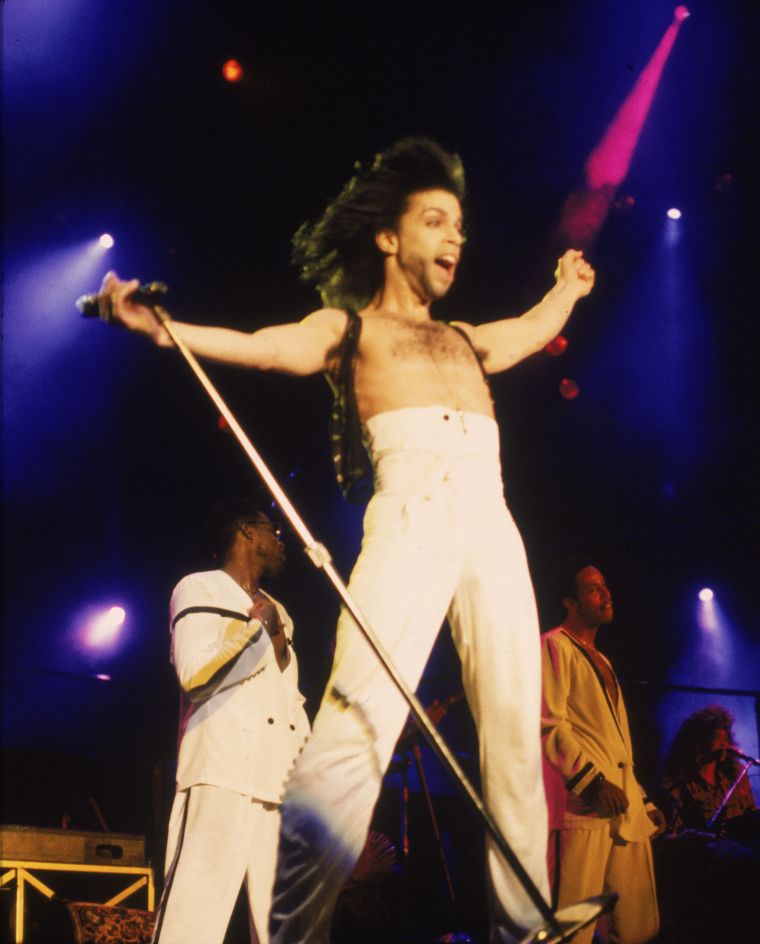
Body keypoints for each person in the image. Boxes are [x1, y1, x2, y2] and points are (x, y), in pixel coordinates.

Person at [98, 137, 596, 943]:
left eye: (461, 227)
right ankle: (293, 927)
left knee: (511, 721)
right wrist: (165, 330)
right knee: (360, 718)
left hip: (490, 518)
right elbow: (269, 347)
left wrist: (566, 289)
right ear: (389, 237)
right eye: (436, 221)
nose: (455, 238)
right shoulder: (352, 327)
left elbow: (530, 329)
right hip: (412, 513)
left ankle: (525, 925)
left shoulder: (466, 337)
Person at [152, 498, 310, 944]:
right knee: (193, 919)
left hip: (278, 782)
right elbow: (194, 674)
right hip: (222, 770)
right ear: (246, 532)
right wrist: (257, 630)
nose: (281, 541)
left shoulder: (278, 609)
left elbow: (287, 698)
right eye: (273, 530)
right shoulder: (200, 588)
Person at [540, 558, 666, 944]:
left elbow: (613, 743)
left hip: (621, 808)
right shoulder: (553, 646)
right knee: (572, 926)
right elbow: (548, 724)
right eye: (593, 588)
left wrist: (641, 800)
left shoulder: (603, 660)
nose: (605, 593)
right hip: (583, 808)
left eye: (605, 585)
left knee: (637, 926)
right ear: (570, 602)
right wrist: (593, 784)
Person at [661, 704, 757, 836]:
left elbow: (749, 812)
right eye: (717, 738)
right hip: (705, 850)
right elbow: (676, 828)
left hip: (739, 846)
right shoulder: (681, 780)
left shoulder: (736, 773)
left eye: (726, 738)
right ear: (700, 741)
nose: (724, 745)